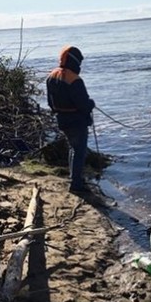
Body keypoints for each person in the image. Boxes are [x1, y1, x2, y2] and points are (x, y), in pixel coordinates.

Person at [46, 46, 95, 194]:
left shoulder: (51, 76)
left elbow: (50, 102)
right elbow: (84, 105)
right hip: (76, 121)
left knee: (73, 149)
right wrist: (91, 104)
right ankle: (76, 184)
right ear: (75, 61)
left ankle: (74, 178)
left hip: (62, 119)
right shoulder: (75, 80)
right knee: (79, 151)